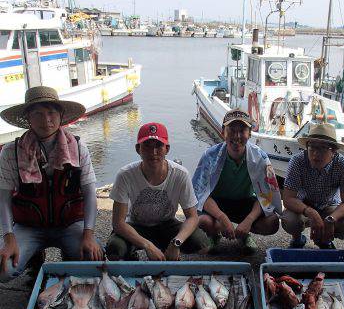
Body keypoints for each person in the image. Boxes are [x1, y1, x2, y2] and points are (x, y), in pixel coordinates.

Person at [0, 86, 103, 281]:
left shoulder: (78, 148)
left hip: (69, 223)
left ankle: (70, 255)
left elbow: (90, 194)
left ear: (61, 115)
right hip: (28, 226)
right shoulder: (10, 152)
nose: (46, 120)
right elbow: (3, 199)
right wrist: (9, 238)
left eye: (51, 113)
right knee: (3, 270)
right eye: (37, 114)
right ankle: (34, 258)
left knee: (94, 259)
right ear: (28, 118)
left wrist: (88, 234)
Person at [106, 122, 208, 261]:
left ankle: (168, 249)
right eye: (147, 146)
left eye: (158, 146)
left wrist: (176, 242)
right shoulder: (125, 175)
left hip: (167, 223)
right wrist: (147, 245)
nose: (153, 152)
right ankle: (134, 251)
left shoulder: (180, 174)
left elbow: (192, 217)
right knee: (114, 249)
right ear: (138, 149)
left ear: (167, 149)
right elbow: (118, 223)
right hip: (137, 225)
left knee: (201, 242)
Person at [192, 109, 281, 254]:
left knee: (272, 222)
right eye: (231, 130)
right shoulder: (210, 155)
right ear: (223, 132)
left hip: (244, 202)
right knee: (202, 220)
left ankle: (244, 234)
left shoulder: (261, 158)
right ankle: (214, 234)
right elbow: (200, 193)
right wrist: (222, 217)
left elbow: (266, 194)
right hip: (217, 204)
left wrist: (249, 220)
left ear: (250, 133)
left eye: (242, 130)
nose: (237, 136)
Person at [282, 123, 344, 248]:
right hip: (303, 203)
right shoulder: (297, 161)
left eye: (322, 148)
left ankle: (325, 240)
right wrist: (311, 212)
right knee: (290, 220)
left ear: (334, 151)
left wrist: (331, 219)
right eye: (312, 147)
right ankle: (297, 238)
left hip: (330, 204)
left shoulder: (343, 164)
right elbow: (288, 199)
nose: (315, 154)